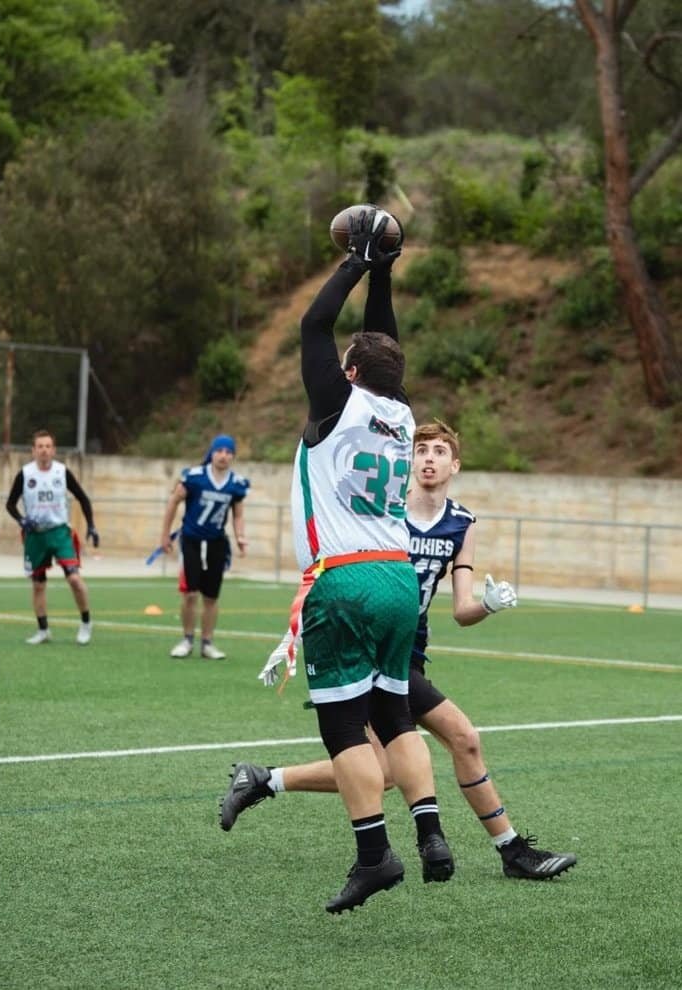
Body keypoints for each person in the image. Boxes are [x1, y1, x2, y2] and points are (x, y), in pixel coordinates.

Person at [220, 421, 578, 883]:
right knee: (462, 738)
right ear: (409, 462)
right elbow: (341, 571)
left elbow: (461, 610)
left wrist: (487, 606)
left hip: (409, 657)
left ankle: (265, 779)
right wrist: (302, 631)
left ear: (455, 465)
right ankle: (511, 851)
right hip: (373, 653)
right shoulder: (384, 514)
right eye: (421, 449)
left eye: (439, 451)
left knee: (384, 772)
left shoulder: (462, 523)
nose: (428, 458)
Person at [237, 206, 440, 914]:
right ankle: (432, 834)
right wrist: (385, 268)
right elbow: (382, 342)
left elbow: (311, 327)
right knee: (395, 716)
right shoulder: (404, 415)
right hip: (398, 576)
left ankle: (374, 855)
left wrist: (356, 258)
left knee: (344, 729)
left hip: (345, 578)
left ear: (350, 372)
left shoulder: (341, 399)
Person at [5, 429, 99, 645]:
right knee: (38, 585)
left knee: (74, 579)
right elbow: (10, 504)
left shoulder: (62, 472)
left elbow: (83, 499)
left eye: (48, 446)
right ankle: (43, 630)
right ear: (33, 450)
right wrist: (21, 520)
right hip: (35, 536)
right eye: (40, 446)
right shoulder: (25, 474)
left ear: (54, 450)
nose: (44, 450)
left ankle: (86, 623)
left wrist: (91, 526)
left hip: (59, 533)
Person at [160, 434, 249, 660]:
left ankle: (207, 642)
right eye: (220, 450)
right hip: (192, 540)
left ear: (233, 456)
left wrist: (240, 536)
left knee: (211, 597)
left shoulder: (235, 484)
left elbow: (238, 515)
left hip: (216, 543)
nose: (224, 455)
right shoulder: (195, 477)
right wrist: (164, 535)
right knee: (190, 594)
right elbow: (173, 501)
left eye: (229, 452)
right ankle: (187, 639)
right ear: (212, 452)